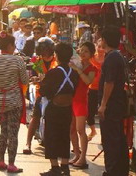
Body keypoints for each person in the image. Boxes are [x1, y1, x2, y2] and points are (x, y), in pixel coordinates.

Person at [0, 31, 28, 173]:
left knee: (3, 131)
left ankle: (1, 161)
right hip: (14, 101)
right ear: (10, 46)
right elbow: (24, 80)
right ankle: (11, 164)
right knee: (13, 133)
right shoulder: (17, 61)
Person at [39, 43, 79, 176]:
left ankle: (55, 167)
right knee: (64, 136)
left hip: (54, 108)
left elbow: (44, 91)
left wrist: (41, 81)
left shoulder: (53, 73)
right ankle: (65, 166)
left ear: (56, 56)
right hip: (67, 108)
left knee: (51, 136)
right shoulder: (74, 73)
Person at [98, 26, 129, 175]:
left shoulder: (112, 57)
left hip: (112, 105)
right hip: (117, 103)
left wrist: (103, 104)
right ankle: (120, 170)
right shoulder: (116, 56)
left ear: (104, 40)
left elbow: (109, 82)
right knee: (117, 138)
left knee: (111, 140)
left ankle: (112, 171)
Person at [23, 37, 57, 154]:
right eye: (42, 50)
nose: (44, 53)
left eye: (46, 50)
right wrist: (35, 78)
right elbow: (33, 74)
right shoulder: (37, 60)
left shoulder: (57, 61)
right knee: (35, 117)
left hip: (54, 94)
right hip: (40, 92)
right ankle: (28, 143)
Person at [68, 42, 98, 169]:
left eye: (86, 51)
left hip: (81, 101)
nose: (82, 53)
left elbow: (88, 81)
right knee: (72, 130)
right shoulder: (74, 64)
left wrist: (78, 70)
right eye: (81, 50)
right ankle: (76, 153)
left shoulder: (92, 68)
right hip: (71, 100)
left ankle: (83, 157)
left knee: (81, 130)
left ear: (91, 54)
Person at [87, 38, 104, 141]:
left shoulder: (108, 58)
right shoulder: (91, 58)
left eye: (103, 46)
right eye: (99, 46)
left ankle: (103, 136)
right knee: (90, 113)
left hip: (103, 89)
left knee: (103, 114)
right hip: (91, 89)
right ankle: (93, 130)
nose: (101, 49)